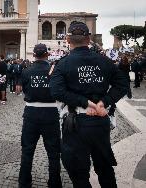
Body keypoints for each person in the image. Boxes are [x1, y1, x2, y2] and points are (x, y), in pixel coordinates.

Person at [50, 22, 128, 188]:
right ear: (88, 39)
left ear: (67, 39)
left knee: (79, 173)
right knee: (105, 168)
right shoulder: (105, 61)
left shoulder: (62, 64)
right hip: (99, 119)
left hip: (76, 122)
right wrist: (102, 102)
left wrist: (84, 103)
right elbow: (122, 84)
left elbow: (56, 92)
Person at [18, 44, 62, 188]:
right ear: (47, 55)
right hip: (50, 113)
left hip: (31, 113)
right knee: (53, 152)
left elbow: (23, 90)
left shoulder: (26, 71)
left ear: (34, 55)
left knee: (27, 151)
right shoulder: (54, 71)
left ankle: (24, 183)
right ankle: (55, 183)